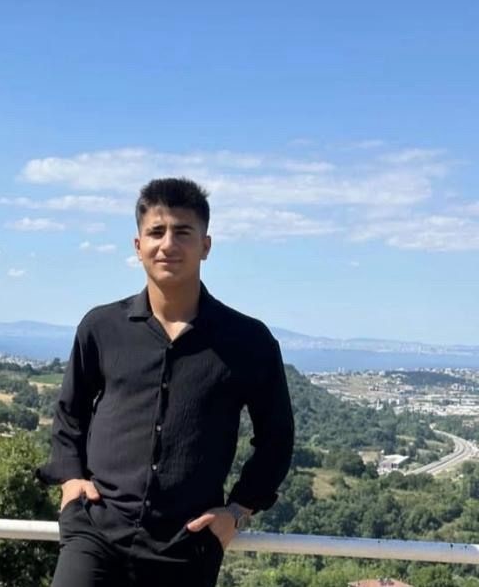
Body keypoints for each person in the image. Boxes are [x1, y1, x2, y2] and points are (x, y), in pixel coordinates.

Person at [37, 177, 294, 587]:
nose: (168, 244)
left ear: (205, 246)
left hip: (187, 543)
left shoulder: (248, 341)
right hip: (95, 532)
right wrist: (70, 481)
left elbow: (276, 438)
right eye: (156, 232)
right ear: (138, 245)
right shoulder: (101, 327)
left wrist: (238, 511)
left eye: (183, 232)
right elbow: (70, 414)